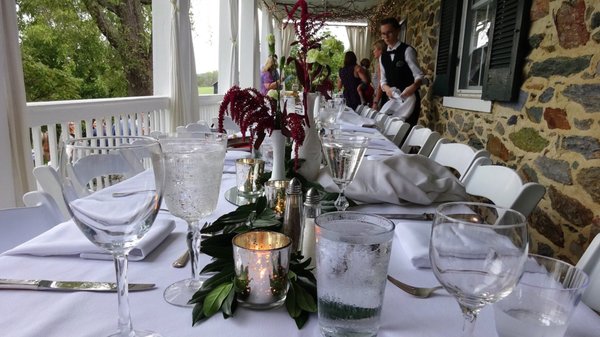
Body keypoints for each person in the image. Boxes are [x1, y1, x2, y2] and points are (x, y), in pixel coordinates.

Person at [379, 17, 424, 127]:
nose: (386, 37)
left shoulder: (407, 50)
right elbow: (383, 81)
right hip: (391, 100)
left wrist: (413, 87)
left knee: (404, 132)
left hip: (409, 100)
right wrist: (387, 89)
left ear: (398, 31)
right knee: (386, 131)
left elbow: (419, 75)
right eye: (383, 34)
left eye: (389, 32)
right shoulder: (382, 57)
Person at [371, 39, 386, 110]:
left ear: (380, 50)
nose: (373, 52)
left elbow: (381, 84)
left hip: (381, 97)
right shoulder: (381, 62)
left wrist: (376, 102)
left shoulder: (381, 64)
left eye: (374, 49)